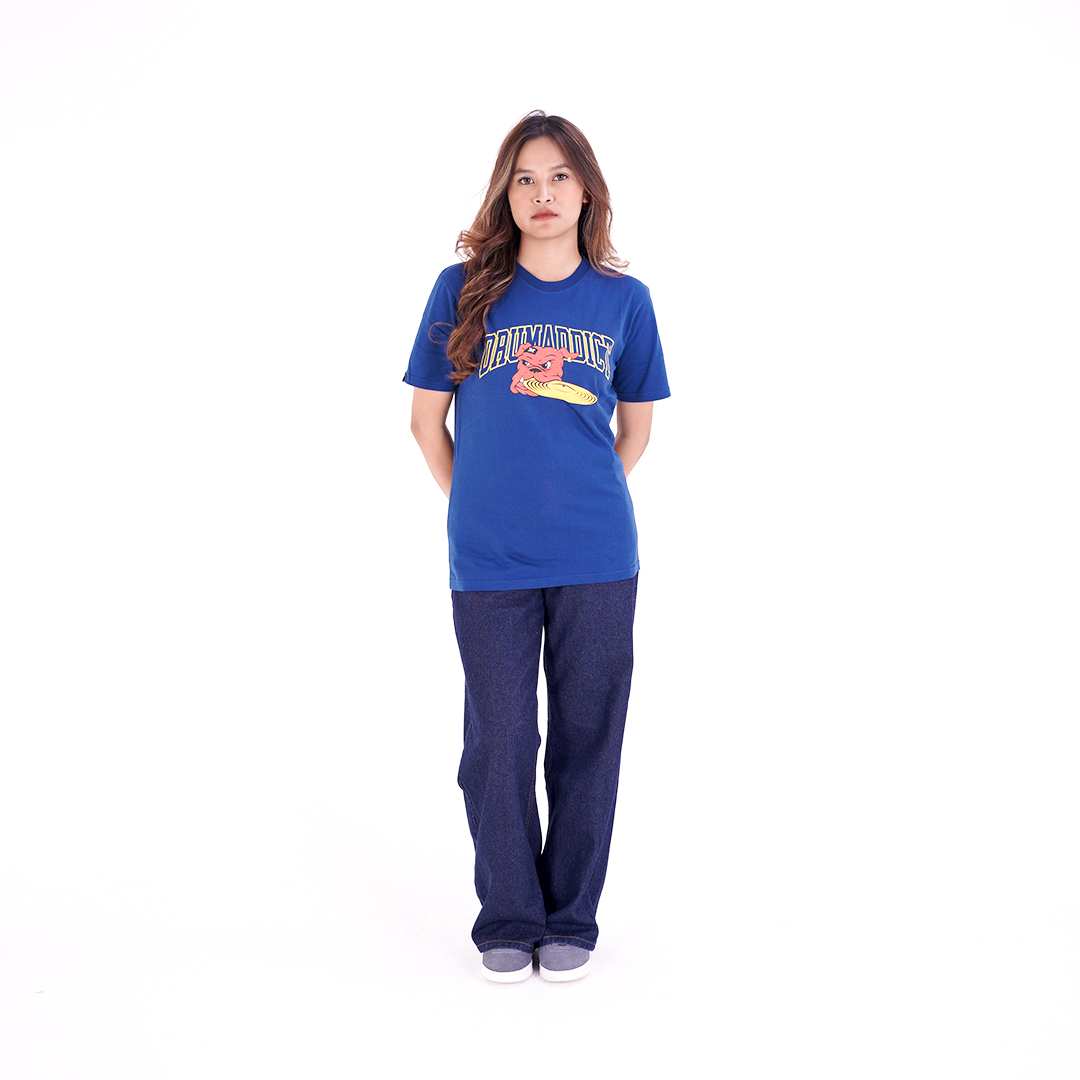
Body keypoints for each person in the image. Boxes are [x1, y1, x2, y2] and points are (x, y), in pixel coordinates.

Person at [404, 111, 670, 983]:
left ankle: (570, 918)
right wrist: (480, 503)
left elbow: (636, 431)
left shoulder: (625, 301)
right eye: (524, 178)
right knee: (500, 742)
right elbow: (425, 423)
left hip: (599, 558)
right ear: (504, 192)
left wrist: (580, 501)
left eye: (558, 176)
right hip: (488, 561)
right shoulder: (462, 290)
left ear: (585, 190)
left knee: (589, 737)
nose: (542, 193)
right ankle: (510, 916)